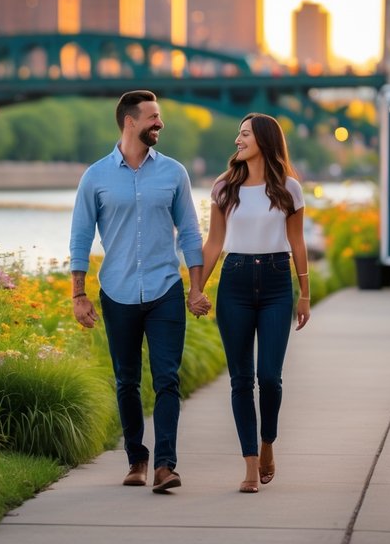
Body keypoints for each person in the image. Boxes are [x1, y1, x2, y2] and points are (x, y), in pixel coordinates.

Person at [69, 90, 205, 494]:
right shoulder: (95, 176)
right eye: (153, 117)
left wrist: (196, 288)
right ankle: (136, 458)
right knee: (126, 381)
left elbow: (192, 234)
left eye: (159, 116)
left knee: (167, 379)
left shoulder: (174, 173)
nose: (159, 123)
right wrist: (79, 294)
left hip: (165, 289)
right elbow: (80, 238)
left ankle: (165, 465)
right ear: (130, 122)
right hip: (118, 291)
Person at [189, 113, 310, 493]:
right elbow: (213, 242)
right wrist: (196, 287)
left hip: (277, 283)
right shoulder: (224, 187)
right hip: (235, 282)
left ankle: (268, 443)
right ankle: (250, 466)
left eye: (244, 135)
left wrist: (304, 293)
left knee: (270, 378)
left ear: (264, 140)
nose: (237, 140)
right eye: (238, 134)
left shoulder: (289, 189)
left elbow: (298, 243)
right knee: (241, 380)